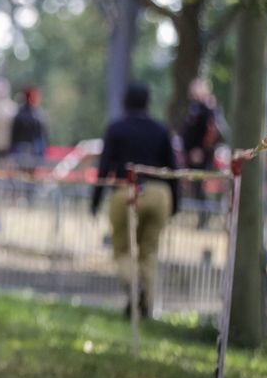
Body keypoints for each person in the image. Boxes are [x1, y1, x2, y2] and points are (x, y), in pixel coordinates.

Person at [90, 82, 178, 318]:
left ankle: (133, 285)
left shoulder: (116, 129)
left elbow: (104, 167)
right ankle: (145, 306)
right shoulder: (161, 130)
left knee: (123, 250)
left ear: (125, 101)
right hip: (160, 194)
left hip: (126, 192)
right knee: (149, 252)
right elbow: (173, 169)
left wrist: (95, 201)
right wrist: (176, 204)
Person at [179, 77, 223, 226]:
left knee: (199, 186)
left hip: (201, 155)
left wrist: (201, 150)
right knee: (194, 185)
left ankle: (205, 216)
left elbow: (212, 132)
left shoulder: (208, 108)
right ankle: (201, 216)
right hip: (191, 154)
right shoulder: (194, 106)